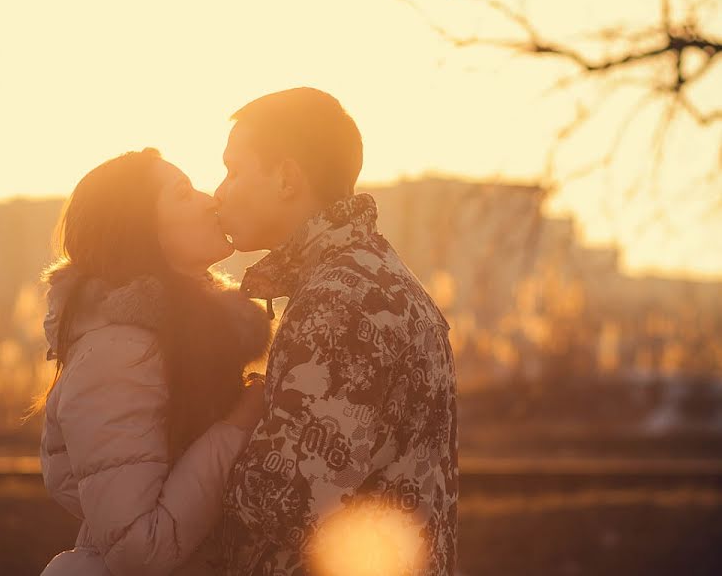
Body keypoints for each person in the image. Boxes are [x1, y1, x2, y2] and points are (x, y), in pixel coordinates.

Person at [215, 87, 458, 575]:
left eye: (234, 170)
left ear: (287, 178)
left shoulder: (340, 300)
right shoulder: (372, 277)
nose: (220, 191)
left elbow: (285, 500)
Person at [35, 148, 271, 575]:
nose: (210, 199)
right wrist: (237, 426)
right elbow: (139, 550)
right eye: (183, 194)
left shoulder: (185, 339)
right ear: (142, 232)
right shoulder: (118, 353)